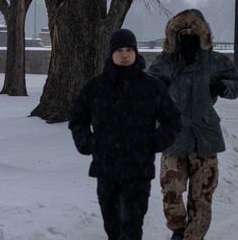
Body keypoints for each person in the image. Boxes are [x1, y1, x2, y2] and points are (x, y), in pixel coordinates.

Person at [70, 28, 182, 240]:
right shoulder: (95, 87)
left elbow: (173, 119)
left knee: (131, 225)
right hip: (106, 169)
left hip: (138, 169)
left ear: (135, 52)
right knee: (112, 226)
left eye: (129, 49)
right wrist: (87, 142)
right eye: (119, 50)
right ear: (111, 53)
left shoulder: (152, 87)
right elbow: (78, 119)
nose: (124, 55)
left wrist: (154, 142)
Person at [148, 9, 238, 240]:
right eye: (183, 31)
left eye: (193, 30)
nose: (188, 34)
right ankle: (178, 229)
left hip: (205, 137)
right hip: (174, 136)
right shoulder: (166, 61)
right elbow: (147, 87)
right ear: (175, 34)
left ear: (202, 33)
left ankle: (193, 237)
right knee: (171, 189)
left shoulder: (214, 61)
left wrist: (222, 87)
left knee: (202, 197)